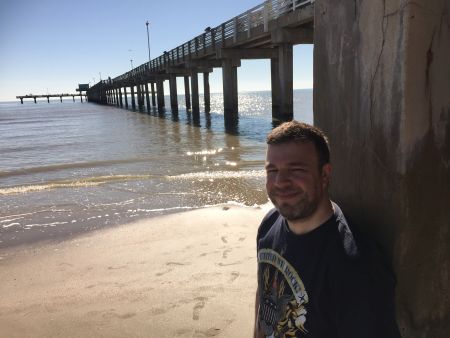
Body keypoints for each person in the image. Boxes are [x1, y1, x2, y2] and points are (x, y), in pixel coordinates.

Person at [254, 121, 400, 338]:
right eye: (272, 170)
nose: (280, 182)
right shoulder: (269, 224)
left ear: (325, 174)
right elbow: (263, 300)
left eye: (296, 170)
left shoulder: (357, 268)